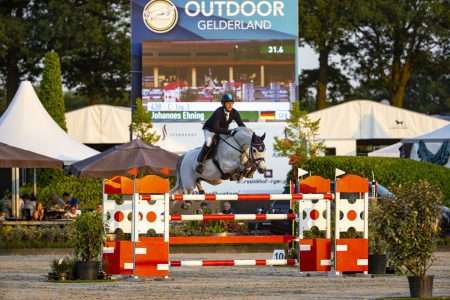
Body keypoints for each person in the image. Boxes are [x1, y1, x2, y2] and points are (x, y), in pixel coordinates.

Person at [196, 93, 246, 173]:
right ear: (223, 104)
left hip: (222, 130)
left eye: (231, 103)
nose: (230, 105)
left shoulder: (234, 112)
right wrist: (229, 131)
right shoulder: (218, 112)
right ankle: (200, 163)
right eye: (228, 103)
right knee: (209, 143)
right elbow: (216, 129)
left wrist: (246, 132)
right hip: (210, 130)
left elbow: (241, 124)